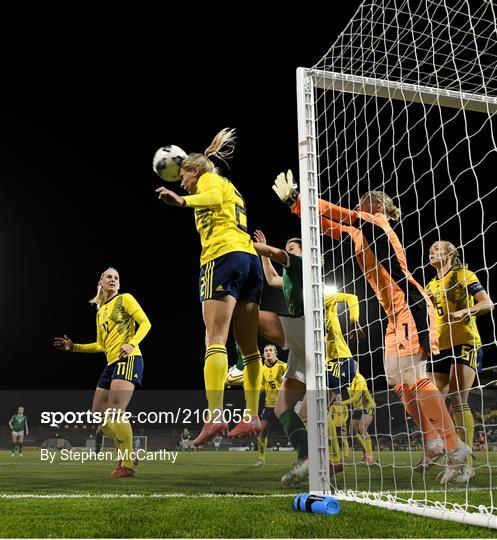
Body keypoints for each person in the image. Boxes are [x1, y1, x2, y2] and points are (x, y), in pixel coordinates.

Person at [274, 170, 471, 484]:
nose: (360, 202)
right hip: (394, 316)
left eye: (366, 201)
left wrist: (300, 198)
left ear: (380, 207)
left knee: (415, 380)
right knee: (399, 382)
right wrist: (296, 208)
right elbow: (330, 226)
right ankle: (433, 439)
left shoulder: (377, 223)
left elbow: (344, 215)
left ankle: (455, 449)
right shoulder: (359, 232)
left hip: (409, 305)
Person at [155, 128, 263, 445]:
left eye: (184, 177)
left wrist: (182, 200)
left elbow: (211, 196)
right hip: (249, 260)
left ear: (195, 170)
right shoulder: (226, 185)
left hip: (223, 257)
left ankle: (215, 415)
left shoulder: (209, 181)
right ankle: (252, 416)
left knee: (214, 338)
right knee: (248, 348)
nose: (183, 182)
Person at [54, 267, 151, 478]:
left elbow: (146, 323)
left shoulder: (125, 299)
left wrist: (132, 344)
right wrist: (75, 347)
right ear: (101, 281)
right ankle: (123, 448)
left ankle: (127, 465)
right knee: (98, 413)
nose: (113, 279)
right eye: (109, 276)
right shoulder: (100, 312)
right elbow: (100, 345)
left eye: (116, 277)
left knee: (116, 411)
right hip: (111, 364)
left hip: (129, 359)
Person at [426, 240, 494, 478]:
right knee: (429, 400)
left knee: (457, 399)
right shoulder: (430, 285)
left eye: (437, 248)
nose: (432, 251)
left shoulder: (464, 274)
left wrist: (465, 311)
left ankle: (467, 464)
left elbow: (487, 303)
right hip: (439, 348)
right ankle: (452, 452)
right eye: (430, 249)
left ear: (450, 253)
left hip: (465, 342)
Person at [251, 230, 309, 485]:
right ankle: (307, 457)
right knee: (282, 407)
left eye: (293, 248)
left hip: (308, 328)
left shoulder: (300, 264)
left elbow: (277, 254)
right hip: (301, 344)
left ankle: (243, 362)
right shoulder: (287, 275)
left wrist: (244, 243)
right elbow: (272, 276)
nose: (289, 251)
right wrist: (263, 252)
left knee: (250, 313)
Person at [253, 344, 287, 467]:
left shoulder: (283, 366)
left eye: (270, 350)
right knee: (262, 431)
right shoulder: (262, 369)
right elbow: (262, 385)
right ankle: (261, 459)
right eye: (266, 350)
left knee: (292, 431)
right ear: (263, 354)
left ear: (275, 353)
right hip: (269, 406)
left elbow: (291, 382)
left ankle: (303, 457)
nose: (268, 352)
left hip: (284, 404)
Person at [340, 366, 376, 465]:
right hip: (357, 408)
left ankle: (370, 457)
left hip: (367, 405)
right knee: (352, 433)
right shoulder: (346, 379)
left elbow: (356, 397)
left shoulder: (360, 379)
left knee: (362, 428)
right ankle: (365, 454)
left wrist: (342, 403)